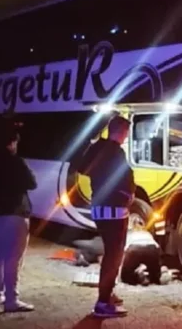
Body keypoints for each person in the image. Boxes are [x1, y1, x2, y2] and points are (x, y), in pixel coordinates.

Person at [77, 115, 136, 318]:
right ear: (120, 132)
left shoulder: (96, 148)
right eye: (126, 132)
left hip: (99, 208)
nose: (126, 136)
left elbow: (81, 167)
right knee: (114, 255)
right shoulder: (116, 152)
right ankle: (103, 302)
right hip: (114, 210)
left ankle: (107, 293)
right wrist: (127, 192)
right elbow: (125, 178)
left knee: (112, 254)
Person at [0, 125, 37, 312]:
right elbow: (32, 183)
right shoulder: (16, 162)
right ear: (11, 142)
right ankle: (11, 299)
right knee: (13, 257)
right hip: (15, 213)